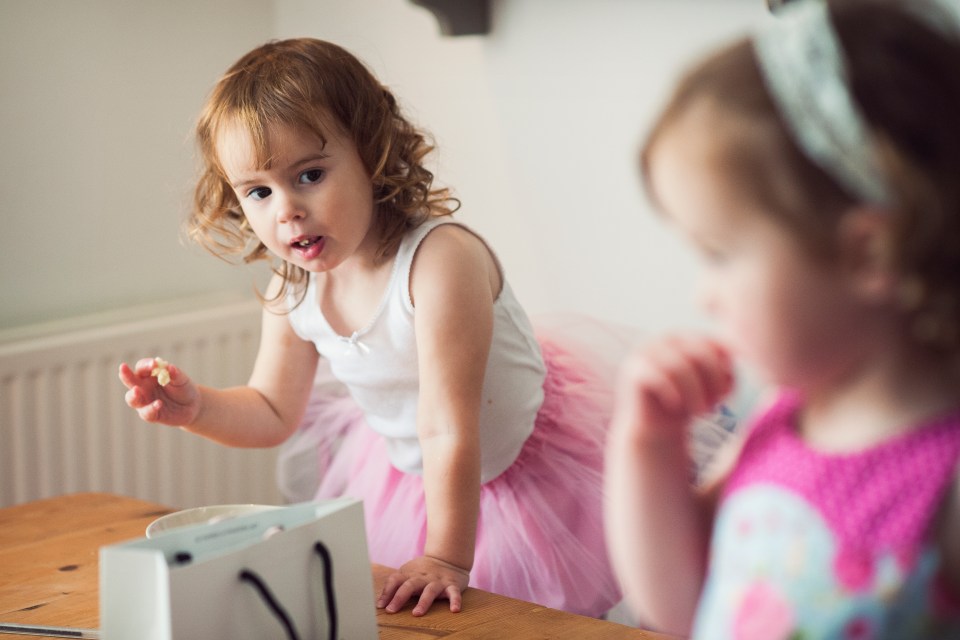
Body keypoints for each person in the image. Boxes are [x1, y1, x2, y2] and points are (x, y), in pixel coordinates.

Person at [118, 37, 621, 618]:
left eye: (309, 175)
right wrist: (197, 408)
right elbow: (273, 410)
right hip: (413, 474)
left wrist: (447, 557)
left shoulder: (437, 263)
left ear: (373, 154)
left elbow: (448, 429)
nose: (286, 210)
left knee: (537, 617)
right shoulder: (294, 286)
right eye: (258, 191)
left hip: (523, 469)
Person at [603, 0, 960, 637]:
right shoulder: (783, 416)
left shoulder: (944, 480)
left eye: (718, 253)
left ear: (868, 253)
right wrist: (649, 445)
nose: (702, 294)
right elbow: (675, 604)